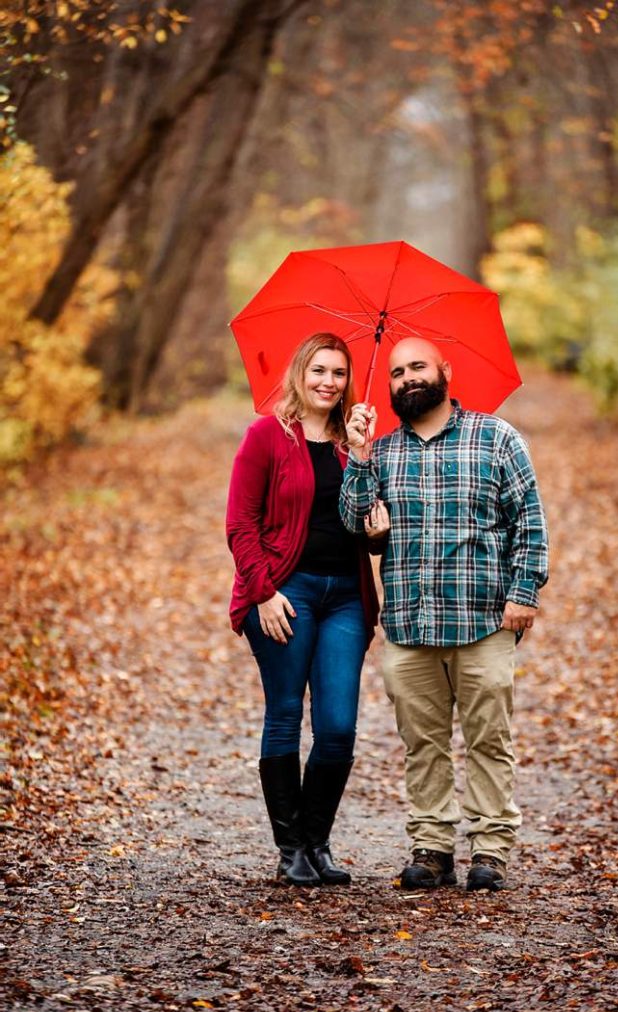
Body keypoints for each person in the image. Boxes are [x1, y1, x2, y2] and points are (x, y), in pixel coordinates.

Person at [341, 337, 549, 892]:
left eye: (417, 367)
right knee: (422, 742)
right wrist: (357, 457)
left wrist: (524, 593)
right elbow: (354, 523)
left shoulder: (496, 438)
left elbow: (528, 522)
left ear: (445, 372)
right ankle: (432, 845)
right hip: (409, 624)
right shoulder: (381, 452)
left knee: (488, 736)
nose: (407, 378)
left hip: (483, 619)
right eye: (397, 372)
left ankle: (490, 848)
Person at [226, 333, 379, 887]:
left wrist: (365, 467)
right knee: (286, 714)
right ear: (299, 373)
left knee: (338, 728)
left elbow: (371, 528)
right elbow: (240, 524)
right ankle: (291, 847)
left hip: (346, 596)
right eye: (318, 370)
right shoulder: (267, 436)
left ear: (347, 382)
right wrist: (263, 591)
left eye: (338, 373)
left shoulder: (358, 443)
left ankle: (318, 841)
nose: (328, 382)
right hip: (285, 594)